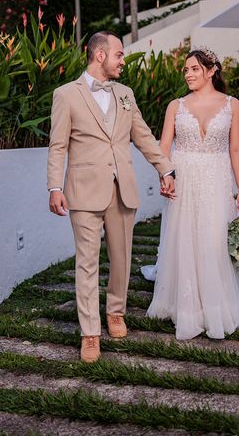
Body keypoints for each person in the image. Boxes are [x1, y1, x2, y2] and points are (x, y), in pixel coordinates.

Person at [47, 31, 175, 363]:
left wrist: (165, 168)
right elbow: (58, 146)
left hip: (122, 188)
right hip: (84, 190)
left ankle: (115, 311)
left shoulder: (125, 94)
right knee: (86, 263)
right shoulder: (65, 94)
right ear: (100, 55)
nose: (123, 60)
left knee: (121, 259)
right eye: (119, 54)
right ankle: (90, 332)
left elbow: (143, 135)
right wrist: (54, 187)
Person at [143, 48, 239, 340]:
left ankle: (218, 302)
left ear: (211, 70)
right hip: (185, 179)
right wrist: (165, 175)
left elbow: (235, 148)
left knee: (215, 238)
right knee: (185, 236)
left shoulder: (232, 105)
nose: (188, 74)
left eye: (194, 69)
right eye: (186, 70)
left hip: (218, 179)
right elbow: (163, 147)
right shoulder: (175, 106)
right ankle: (186, 305)